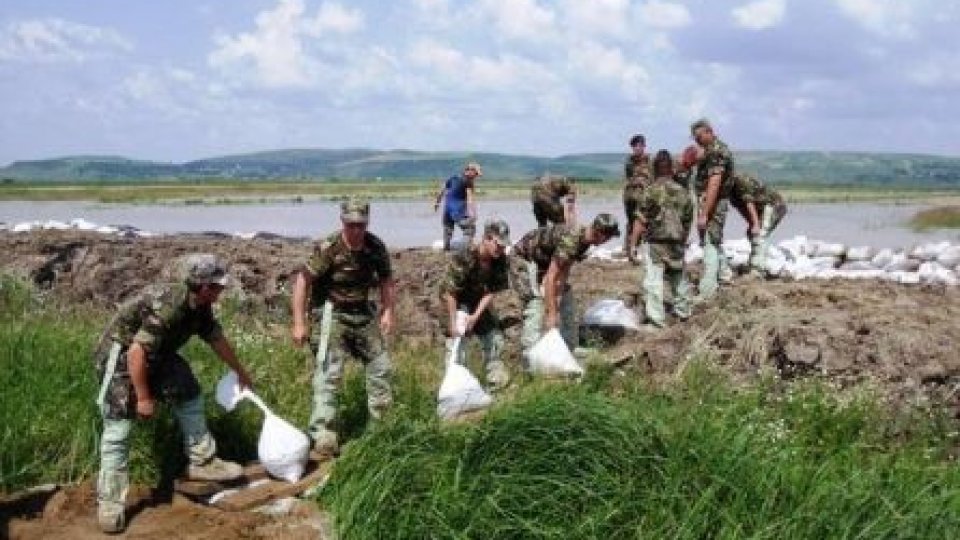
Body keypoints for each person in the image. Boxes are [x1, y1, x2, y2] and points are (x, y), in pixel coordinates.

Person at [92, 253, 254, 534]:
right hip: (120, 358)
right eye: (217, 287)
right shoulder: (171, 305)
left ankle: (202, 461)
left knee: (188, 389)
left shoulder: (200, 306)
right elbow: (136, 352)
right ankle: (110, 503)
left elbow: (216, 338)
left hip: (157, 354)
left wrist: (240, 371)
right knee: (119, 429)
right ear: (203, 286)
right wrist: (143, 398)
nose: (221, 292)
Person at [291, 198, 396, 457]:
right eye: (351, 225)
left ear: (367, 223)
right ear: (343, 222)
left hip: (362, 312)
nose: (356, 230)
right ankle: (324, 433)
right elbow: (302, 282)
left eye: (360, 224)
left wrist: (388, 311)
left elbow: (386, 280)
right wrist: (299, 322)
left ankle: (381, 427)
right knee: (330, 372)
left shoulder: (375, 247)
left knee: (381, 367)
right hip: (331, 313)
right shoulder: (329, 248)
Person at [510, 214, 620, 362]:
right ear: (600, 234)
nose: (607, 241)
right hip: (524, 258)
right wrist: (552, 313)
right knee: (534, 301)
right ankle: (530, 355)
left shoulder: (585, 241)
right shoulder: (572, 239)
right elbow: (551, 277)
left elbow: (565, 267)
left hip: (544, 261)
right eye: (608, 238)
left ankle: (570, 346)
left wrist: (559, 294)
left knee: (566, 299)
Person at [439, 218, 512, 391]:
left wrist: (475, 316)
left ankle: (496, 383)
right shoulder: (466, 255)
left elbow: (490, 291)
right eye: (498, 244)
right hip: (455, 300)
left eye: (503, 246)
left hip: (478, 299)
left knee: (494, 338)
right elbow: (450, 292)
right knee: (457, 341)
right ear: (487, 238)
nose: (501, 249)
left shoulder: (500, 259)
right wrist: (453, 323)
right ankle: (456, 388)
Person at [629, 150, 694, 328]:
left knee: (653, 282)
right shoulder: (683, 192)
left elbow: (640, 220)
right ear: (671, 169)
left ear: (654, 169)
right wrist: (682, 240)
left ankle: (656, 321)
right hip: (676, 242)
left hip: (656, 243)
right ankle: (684, 312)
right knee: (678, 279)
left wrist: (633, 245)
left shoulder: (651, 191)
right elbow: (687, 221)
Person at [687, 118, 734, 301]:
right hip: (709, 201)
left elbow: (714, 184)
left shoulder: (716, 152)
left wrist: (705, 213)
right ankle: (724, 276)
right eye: (695, 138)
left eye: (700, 137)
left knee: (710, 243)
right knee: (713, 238)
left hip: (714, 202)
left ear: (709, 131)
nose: (697, 141)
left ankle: (707, 290)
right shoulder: (711, 150)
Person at [729, 172, 788, 275]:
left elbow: (749, 203)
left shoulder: (741, 181)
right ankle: (755, 263)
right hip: (761, 209)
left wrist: (756, 224)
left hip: (773, 205)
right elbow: (742, 209)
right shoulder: (729, 191)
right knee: (752, 234)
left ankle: (757, 270)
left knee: (760, 234)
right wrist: (751, 224)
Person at [434, 162, 481, 250]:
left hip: (447, 210)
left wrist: (437, 203)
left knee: (448, 230)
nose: (476, 177)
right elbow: (470, 199)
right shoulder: (468, 182)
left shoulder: (453, 177)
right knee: (470, 229)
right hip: (458, 211)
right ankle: (465, 249)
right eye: (476, 174)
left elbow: (442, 190)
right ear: (470, 171)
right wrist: (473, 214)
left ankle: (446, 249)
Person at [623, 134, 652, 262]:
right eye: (635, 146)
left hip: (643, 196)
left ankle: (638, 248)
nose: (637, 148)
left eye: (640, 145)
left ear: (644, 146)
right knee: (631, 222)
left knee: (642, 221)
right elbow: (628, 178)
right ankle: (629, 248)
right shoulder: (629, 162)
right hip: (630, 196)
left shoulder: (649, 161)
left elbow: (652, 178)